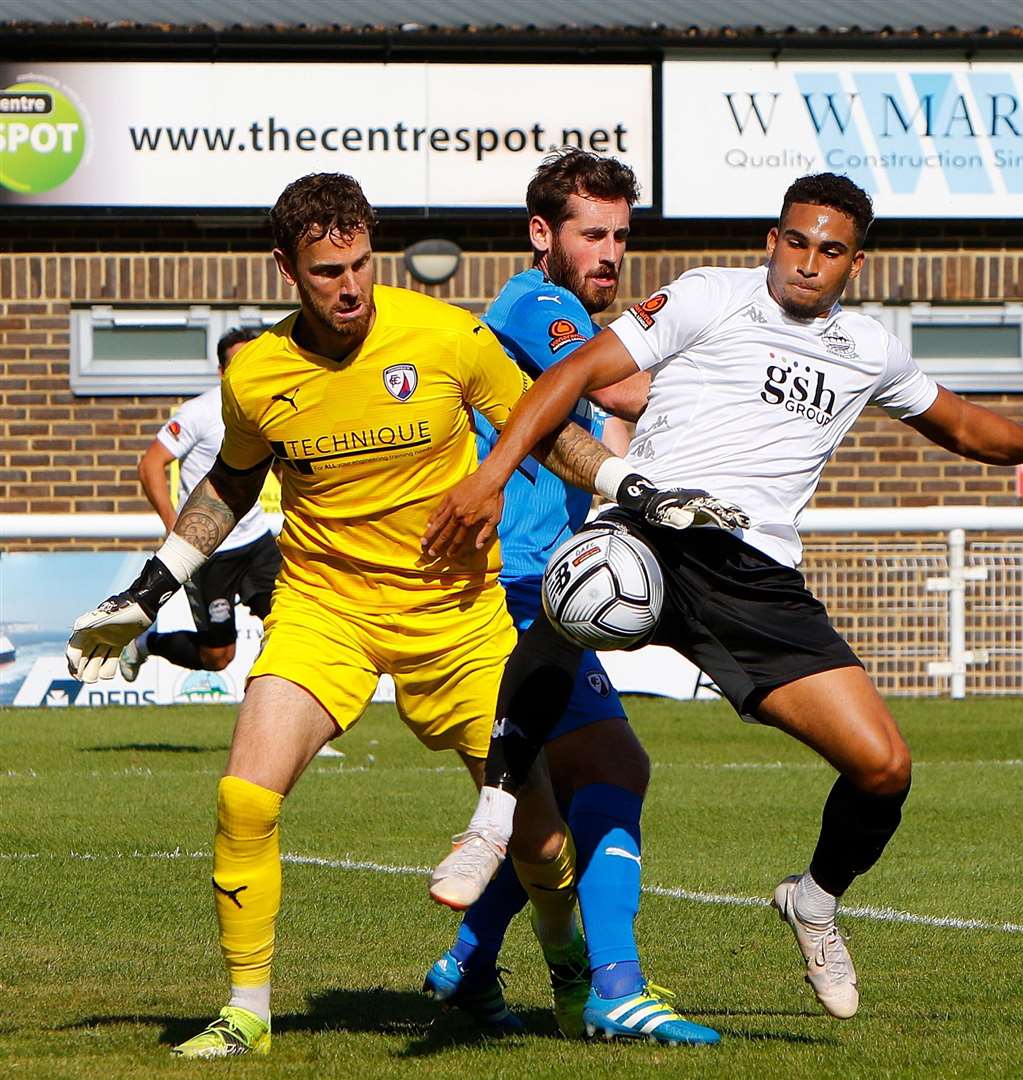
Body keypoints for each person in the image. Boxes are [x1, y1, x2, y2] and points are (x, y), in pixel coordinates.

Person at [63, 172, 740, 1057]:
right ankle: (246, 1013)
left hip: (458, 617)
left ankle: (569, 967)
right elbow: (230, 482)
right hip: (325, 611)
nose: (348, 288)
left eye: (359, 264)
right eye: (325, 272)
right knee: (243, 798)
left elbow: (548, 430)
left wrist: (631, 487)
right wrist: (147, 591)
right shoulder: (257, 372)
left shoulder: (447, 336)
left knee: (537, 837)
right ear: (284, 269)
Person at [422, 172, 1023, 1018]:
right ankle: (493, 818)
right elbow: (574, 375)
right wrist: (495, 473)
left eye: (828, 250)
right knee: (572, 597)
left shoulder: (867, 347)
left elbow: (961, 424)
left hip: (754, 575)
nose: (806, 261)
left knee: (883, 766)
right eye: (794, 241)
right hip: (654, 525)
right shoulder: (704, 296)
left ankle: (816, 901)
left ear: (853, 263)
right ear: (772, 240)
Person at [420, 149, 718, 1045]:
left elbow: (614, 416)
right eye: (592, 233)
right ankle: (611, 983)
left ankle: (471, 962)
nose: (610, 253)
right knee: (609, 776)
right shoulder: (535, 304)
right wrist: (732, 377)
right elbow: (621, 382)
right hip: (506, 590)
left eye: (622, 236)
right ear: (542, 235)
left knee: (559, 803)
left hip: (537, 583)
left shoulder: (567, 319)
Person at [124, 326, 280, 679]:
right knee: (218, 656)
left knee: (287, 624)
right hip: (211, 552)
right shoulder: (199, 412)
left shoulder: (271, 406)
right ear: (223, 372)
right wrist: (174, 525)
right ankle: (148, 644)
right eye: (239, 363)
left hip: (257, 543)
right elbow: (150, 464)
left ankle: (289, 724)